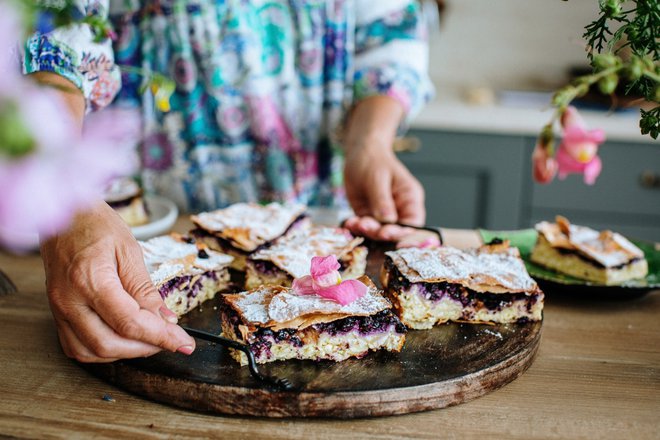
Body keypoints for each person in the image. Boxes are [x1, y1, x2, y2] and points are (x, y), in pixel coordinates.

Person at [29, 0, 433, 362]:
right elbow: (49, 22)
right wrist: (66, 190)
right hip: (124, 217)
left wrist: (371, 143)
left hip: (316, 212)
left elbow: (390, 31)